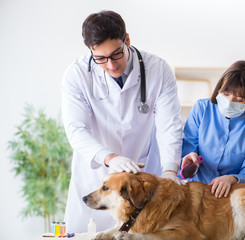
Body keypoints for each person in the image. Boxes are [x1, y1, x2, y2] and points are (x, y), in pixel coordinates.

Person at [61, 10, 183, 233]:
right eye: (100, 58)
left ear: (127, 40)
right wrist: (109, 158)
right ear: (90, 51)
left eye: (116, 54)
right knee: (90, 234)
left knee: (144, 234)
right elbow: (76, 130)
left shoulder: (158, 70)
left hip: (142, 183)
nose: (110, 65)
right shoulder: (77, 75)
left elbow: (169, 126)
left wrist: (170, 171)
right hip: (96, 176)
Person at [181, 60, 245, 199]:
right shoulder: (202, 108)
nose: (230, 101)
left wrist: (232, 179)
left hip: (231, 195)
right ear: (219, 88)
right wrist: (189, 158)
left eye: (239, 99)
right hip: (194, 191)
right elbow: (188, 147)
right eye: (226, 94)